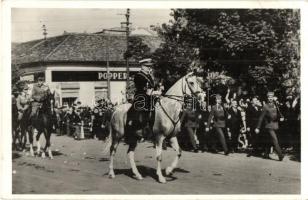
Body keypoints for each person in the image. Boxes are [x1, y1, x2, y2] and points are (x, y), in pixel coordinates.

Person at [126, 58, 160, 140]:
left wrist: (157, 92)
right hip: (141, 97)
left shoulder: (149, 76)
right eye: (147, 66)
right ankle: (134, 126)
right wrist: (154, 92)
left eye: (150, 66)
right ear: (142, 66)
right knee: (139, 109)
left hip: (151, 97)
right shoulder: (138, 76)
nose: (149, 68)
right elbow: (143, 89)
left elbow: (153, 87)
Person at [255, 92, 285, 161]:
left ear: (273, 97)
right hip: (269, 126)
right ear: (267, 98)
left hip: (276, 125)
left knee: (270, 140)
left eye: (271, 97)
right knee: (275, 140)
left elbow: (279, 113)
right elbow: (261, 117)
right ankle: (280, 155)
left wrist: (281, 117)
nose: (270, 98)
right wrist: (258, 127)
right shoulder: (265, 106)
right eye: (269, 97)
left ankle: (266, 154)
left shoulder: (276, 104)